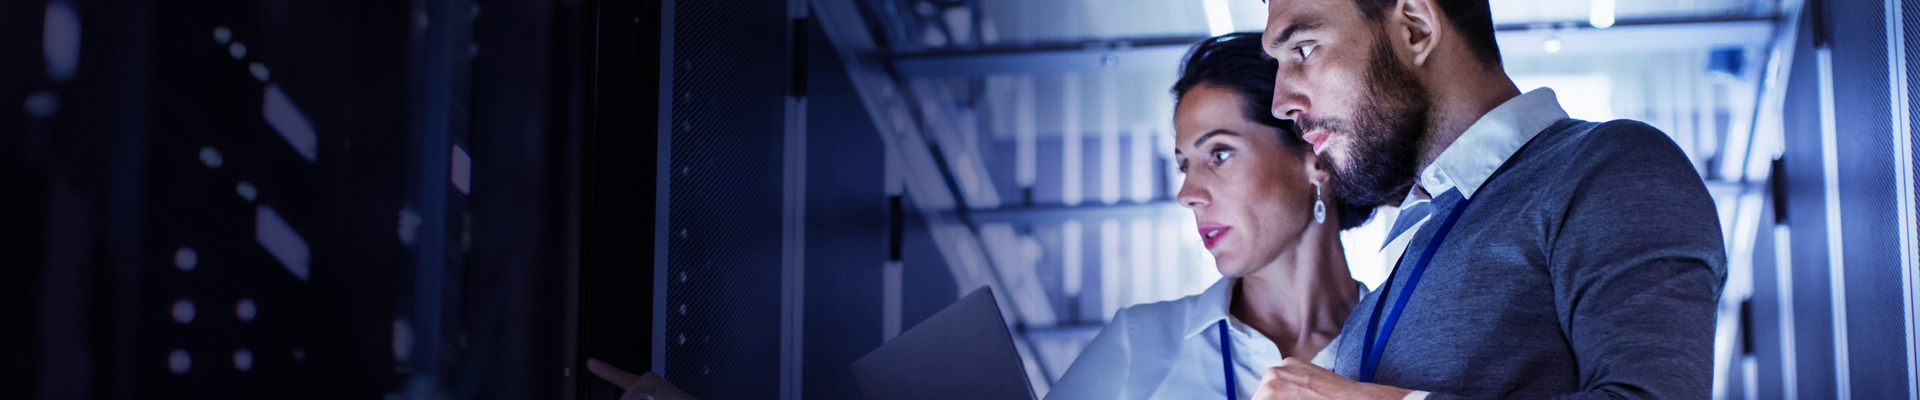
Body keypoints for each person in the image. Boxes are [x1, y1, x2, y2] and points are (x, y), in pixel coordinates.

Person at [1246, 0, 1728, 399]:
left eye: (1304, 49)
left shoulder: (1610, 167)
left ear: (1415, 27)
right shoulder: (1419, 237)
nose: (1280, 101)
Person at [1046, 32, 1378, 400]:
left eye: (1219, 154)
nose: (1187, 194)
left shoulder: (1410, 340)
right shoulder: (1140, 344)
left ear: (1315, 157)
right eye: (1183, 166)